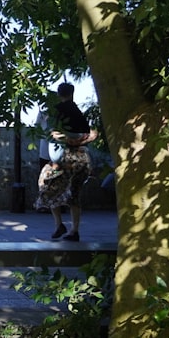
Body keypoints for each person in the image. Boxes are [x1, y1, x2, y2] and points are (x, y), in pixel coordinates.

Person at [34, 83, 98, 241]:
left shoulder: (56, 112)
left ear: (58, 94)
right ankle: (73, 230)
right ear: (72, 93)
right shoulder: (78, 113)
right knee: (74, 194)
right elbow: (91, 135)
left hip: (64, 162)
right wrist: (78, 140)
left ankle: (59, 224)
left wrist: (67, 140)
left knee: (47, 184)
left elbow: (51, 134)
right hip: (81, 161)